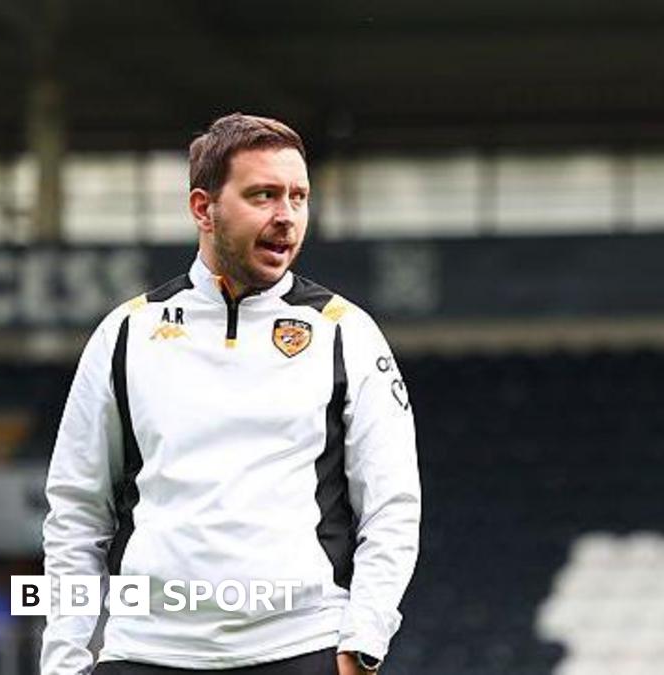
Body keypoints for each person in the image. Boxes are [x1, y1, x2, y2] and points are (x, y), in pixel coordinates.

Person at [41, 114, 421, 674]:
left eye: (298, 197)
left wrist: (364, 642)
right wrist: (64, 661)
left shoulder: (347, 332)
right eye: (263, 195)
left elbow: (392, 507)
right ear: (203, 208)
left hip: (299, 647)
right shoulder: (126, 333)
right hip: (146, 651)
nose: (286, 216)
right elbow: (76, 512)